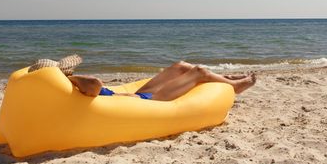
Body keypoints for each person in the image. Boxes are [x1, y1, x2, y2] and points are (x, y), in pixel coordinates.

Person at [28, 54, 256, 101]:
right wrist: (70, 77)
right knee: (198, 71)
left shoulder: (63, 87)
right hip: (145, 103)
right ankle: (235, 86)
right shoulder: (74, 86)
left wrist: (64, 77)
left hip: (134, 96)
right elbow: (96, 85)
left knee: (180, 65)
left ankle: (224, 76)